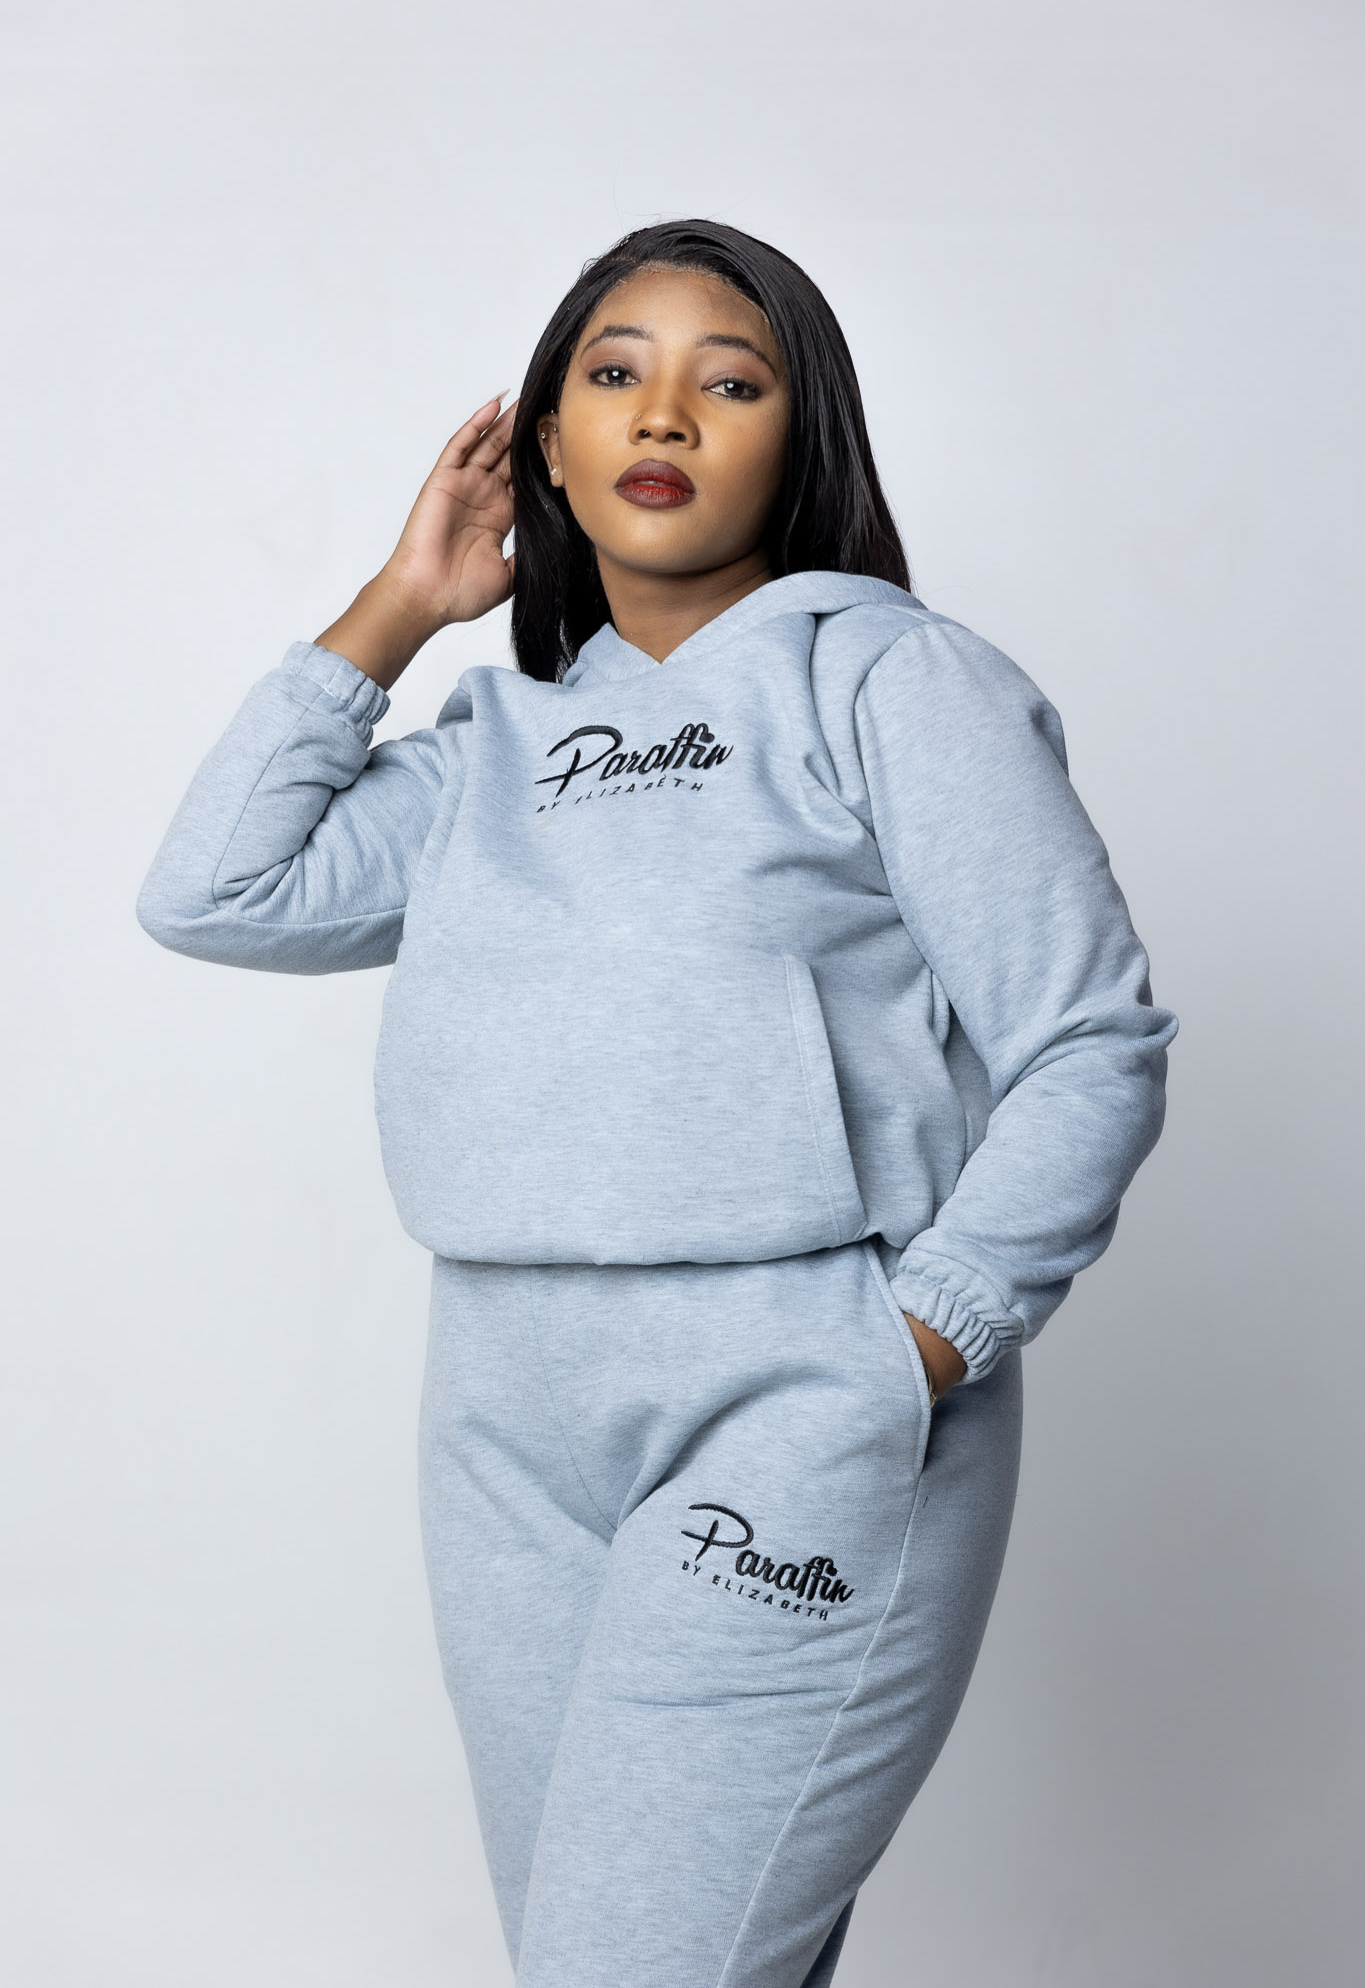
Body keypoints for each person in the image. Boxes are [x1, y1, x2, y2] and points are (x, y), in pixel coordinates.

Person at [137, 218, 1176, 1987]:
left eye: (731, 381)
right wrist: (400, 607)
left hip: (795, 1396)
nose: (665, 413)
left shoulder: (884, 680)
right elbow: (214, 893)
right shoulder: (488, 752)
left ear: (800, 436)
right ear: (547, 444)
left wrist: (916, 1342)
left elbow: (1088, 1036)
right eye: (614, 373)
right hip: (506, 1418)